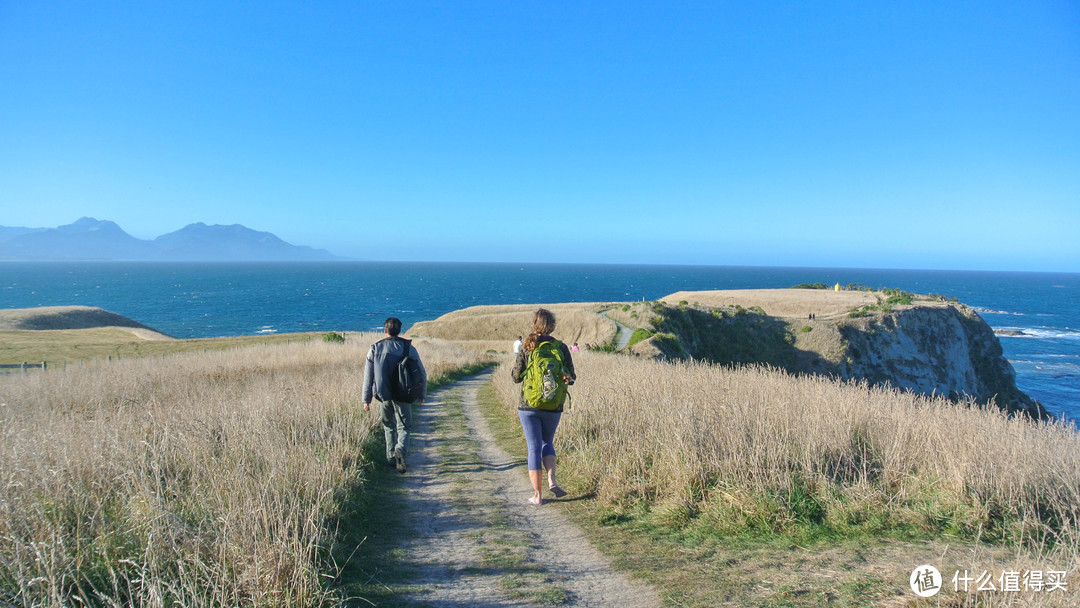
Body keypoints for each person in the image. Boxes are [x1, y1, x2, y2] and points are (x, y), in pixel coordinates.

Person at [511, 308, 576, 505]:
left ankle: (538, 496)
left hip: (528, 405)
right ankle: (552, 480)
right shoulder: (562, 348)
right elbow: (572, 378)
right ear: (552, 325)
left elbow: (515, 377)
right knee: (548, 442)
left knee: (533, 448)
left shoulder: (527, 346)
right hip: (553, 405)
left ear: (534, 324)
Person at [363, 317, 427, 474]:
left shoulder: (374, 349)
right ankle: (400, 450)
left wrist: (366, 400)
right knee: (404, 426)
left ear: (384, 330)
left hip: (383, 394)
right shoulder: (408, 348)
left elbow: (368, 377)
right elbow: (422, 373)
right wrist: (422, 393)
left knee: (388, 426)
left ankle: (391, 458)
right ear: (400, 330)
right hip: (404, 394)